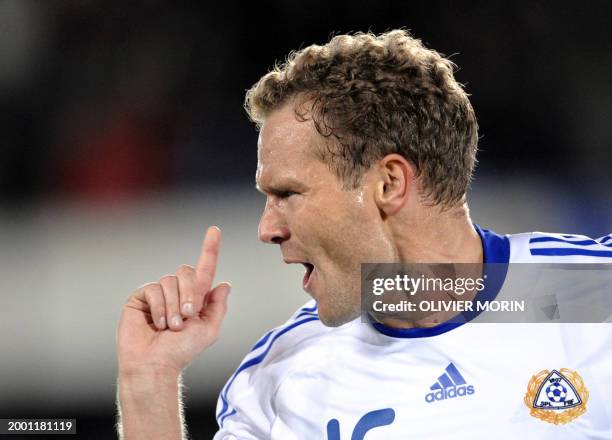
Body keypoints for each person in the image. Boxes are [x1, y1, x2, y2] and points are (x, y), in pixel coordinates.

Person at [116, 30, 612, 439]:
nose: (267, 229)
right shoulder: (283, 378)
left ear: (388, 184)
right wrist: (148, 383)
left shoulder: (592, 297)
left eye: (287, 193)